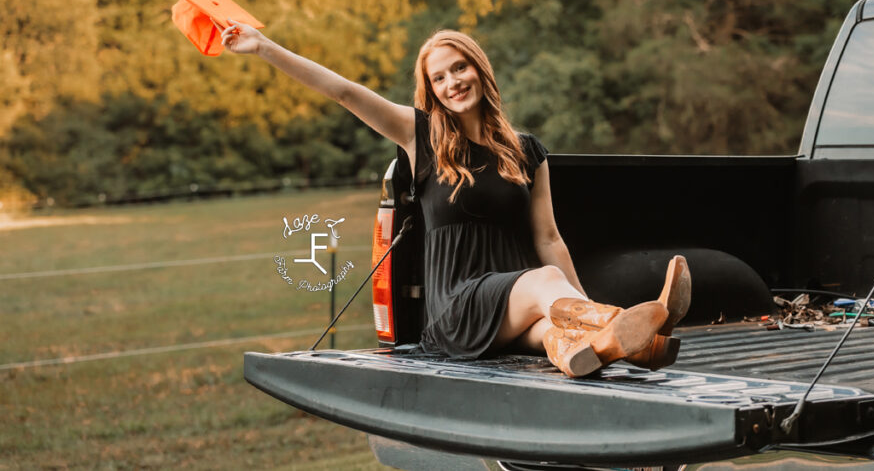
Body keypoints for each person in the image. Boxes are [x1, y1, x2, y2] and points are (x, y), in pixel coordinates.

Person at [221, 20, 691, 377]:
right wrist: (263, 47)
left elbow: (549, 238)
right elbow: (344, 92)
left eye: (459, 68)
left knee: (552, 331)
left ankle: (596, 346)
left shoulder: (526, 150)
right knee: (543, 279)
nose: (452, 83)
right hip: (456, 308)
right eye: (439, 78)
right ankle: (626, 325)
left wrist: (575, 304)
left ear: (479, 70)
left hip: (510, 307)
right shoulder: (419, 135)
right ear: (432, 91)